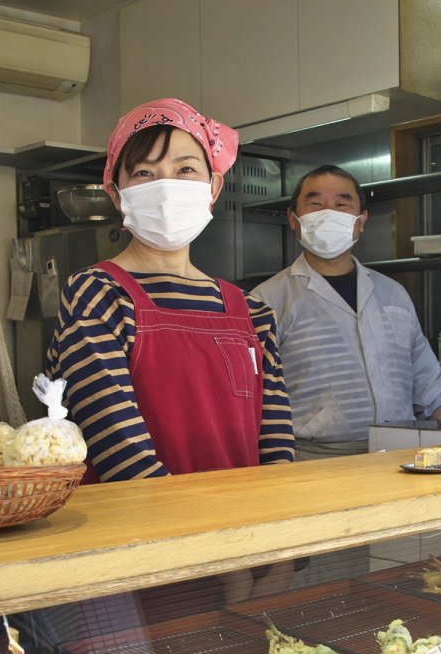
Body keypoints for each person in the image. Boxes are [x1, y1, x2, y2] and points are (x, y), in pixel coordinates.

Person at [47, 99, 295, 603]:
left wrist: (283, 549)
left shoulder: (252, 311)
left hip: (246, 554)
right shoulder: (96, 294)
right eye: (144, 172)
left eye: (185, 170)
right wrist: (216, 561)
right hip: (137, 563)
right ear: (117, 194)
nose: (167, 186)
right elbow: (119, 447)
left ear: (213, 188)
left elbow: (276, 446)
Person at [254, 164, 441, 459]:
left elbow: (432, 392)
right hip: (312, 462)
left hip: (402, 459)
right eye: (315, 204)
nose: (328, 213)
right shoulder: (266, 301)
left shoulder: (393, 294)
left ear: (361, 221)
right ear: (293, 219)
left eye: (342, 204)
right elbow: (252, 402)